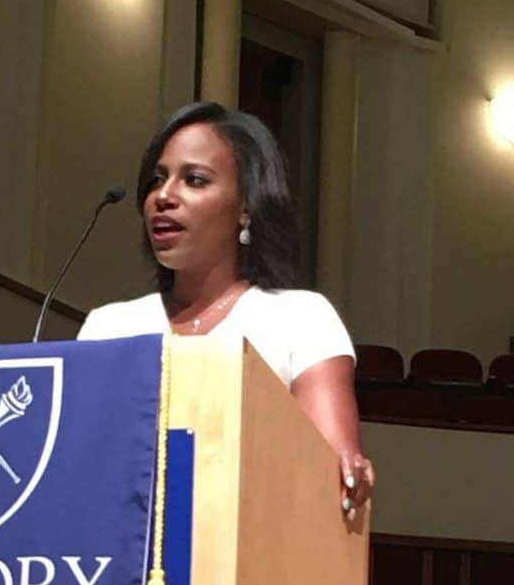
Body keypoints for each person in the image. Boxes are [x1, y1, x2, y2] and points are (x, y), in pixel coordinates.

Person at [78, 101, 374, 519]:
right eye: (158, 180)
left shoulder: (301, 319)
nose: (164, 196)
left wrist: (349, 473)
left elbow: (330, 468)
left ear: (246, 208)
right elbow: (83, 463)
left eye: (194, 180)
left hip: (259, 555)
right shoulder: (108, 326)